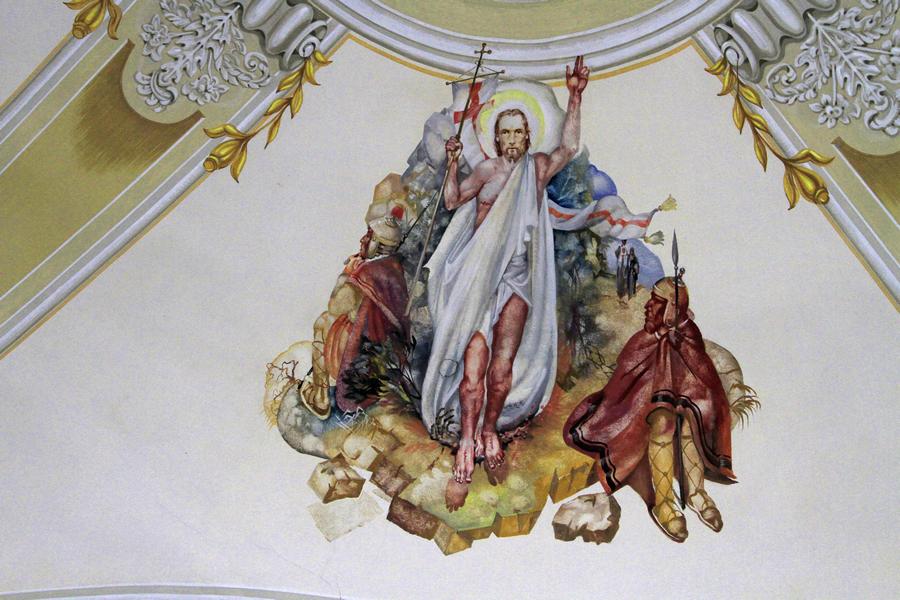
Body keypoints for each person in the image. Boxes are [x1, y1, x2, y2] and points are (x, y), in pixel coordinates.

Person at [563, 276, 736, 542]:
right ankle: (664, 503)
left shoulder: (688, 333)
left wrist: (689, 399)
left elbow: (701, 379)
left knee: (690, 418)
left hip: (680, 400)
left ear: (671, 309)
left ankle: (695, 493)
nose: (648, 306)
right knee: (663, 423)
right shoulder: (644, 339)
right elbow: (626, 379)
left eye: (656, 302)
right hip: (647, 407)